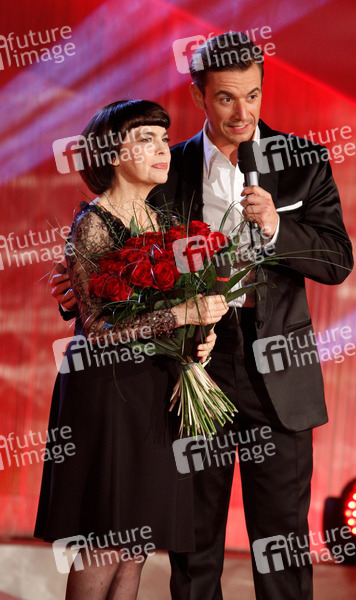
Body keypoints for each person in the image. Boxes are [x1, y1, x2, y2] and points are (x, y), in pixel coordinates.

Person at [52, 33, 354, 600]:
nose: (242, 113)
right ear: (198, 96)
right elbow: (120, 252)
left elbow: (337, 260)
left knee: (283, 545)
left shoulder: (304, 160)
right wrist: (77, 291)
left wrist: (277, 228)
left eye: (253, 95)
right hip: (186, 366)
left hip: (278, 369)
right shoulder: (167, 166)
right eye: (225, 98)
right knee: (192, 548)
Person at [35, 99, 229, 600]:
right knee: (105, 539)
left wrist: (197, 341)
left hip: (154, 385)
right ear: (111, 154)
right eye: (145, 139)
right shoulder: (94, 223)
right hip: (108, 391)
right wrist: (182, 315)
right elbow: (99, 328)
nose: (162, 148)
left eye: (163, 138)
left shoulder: (161, 220)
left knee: (136, 543)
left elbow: (170, 308)